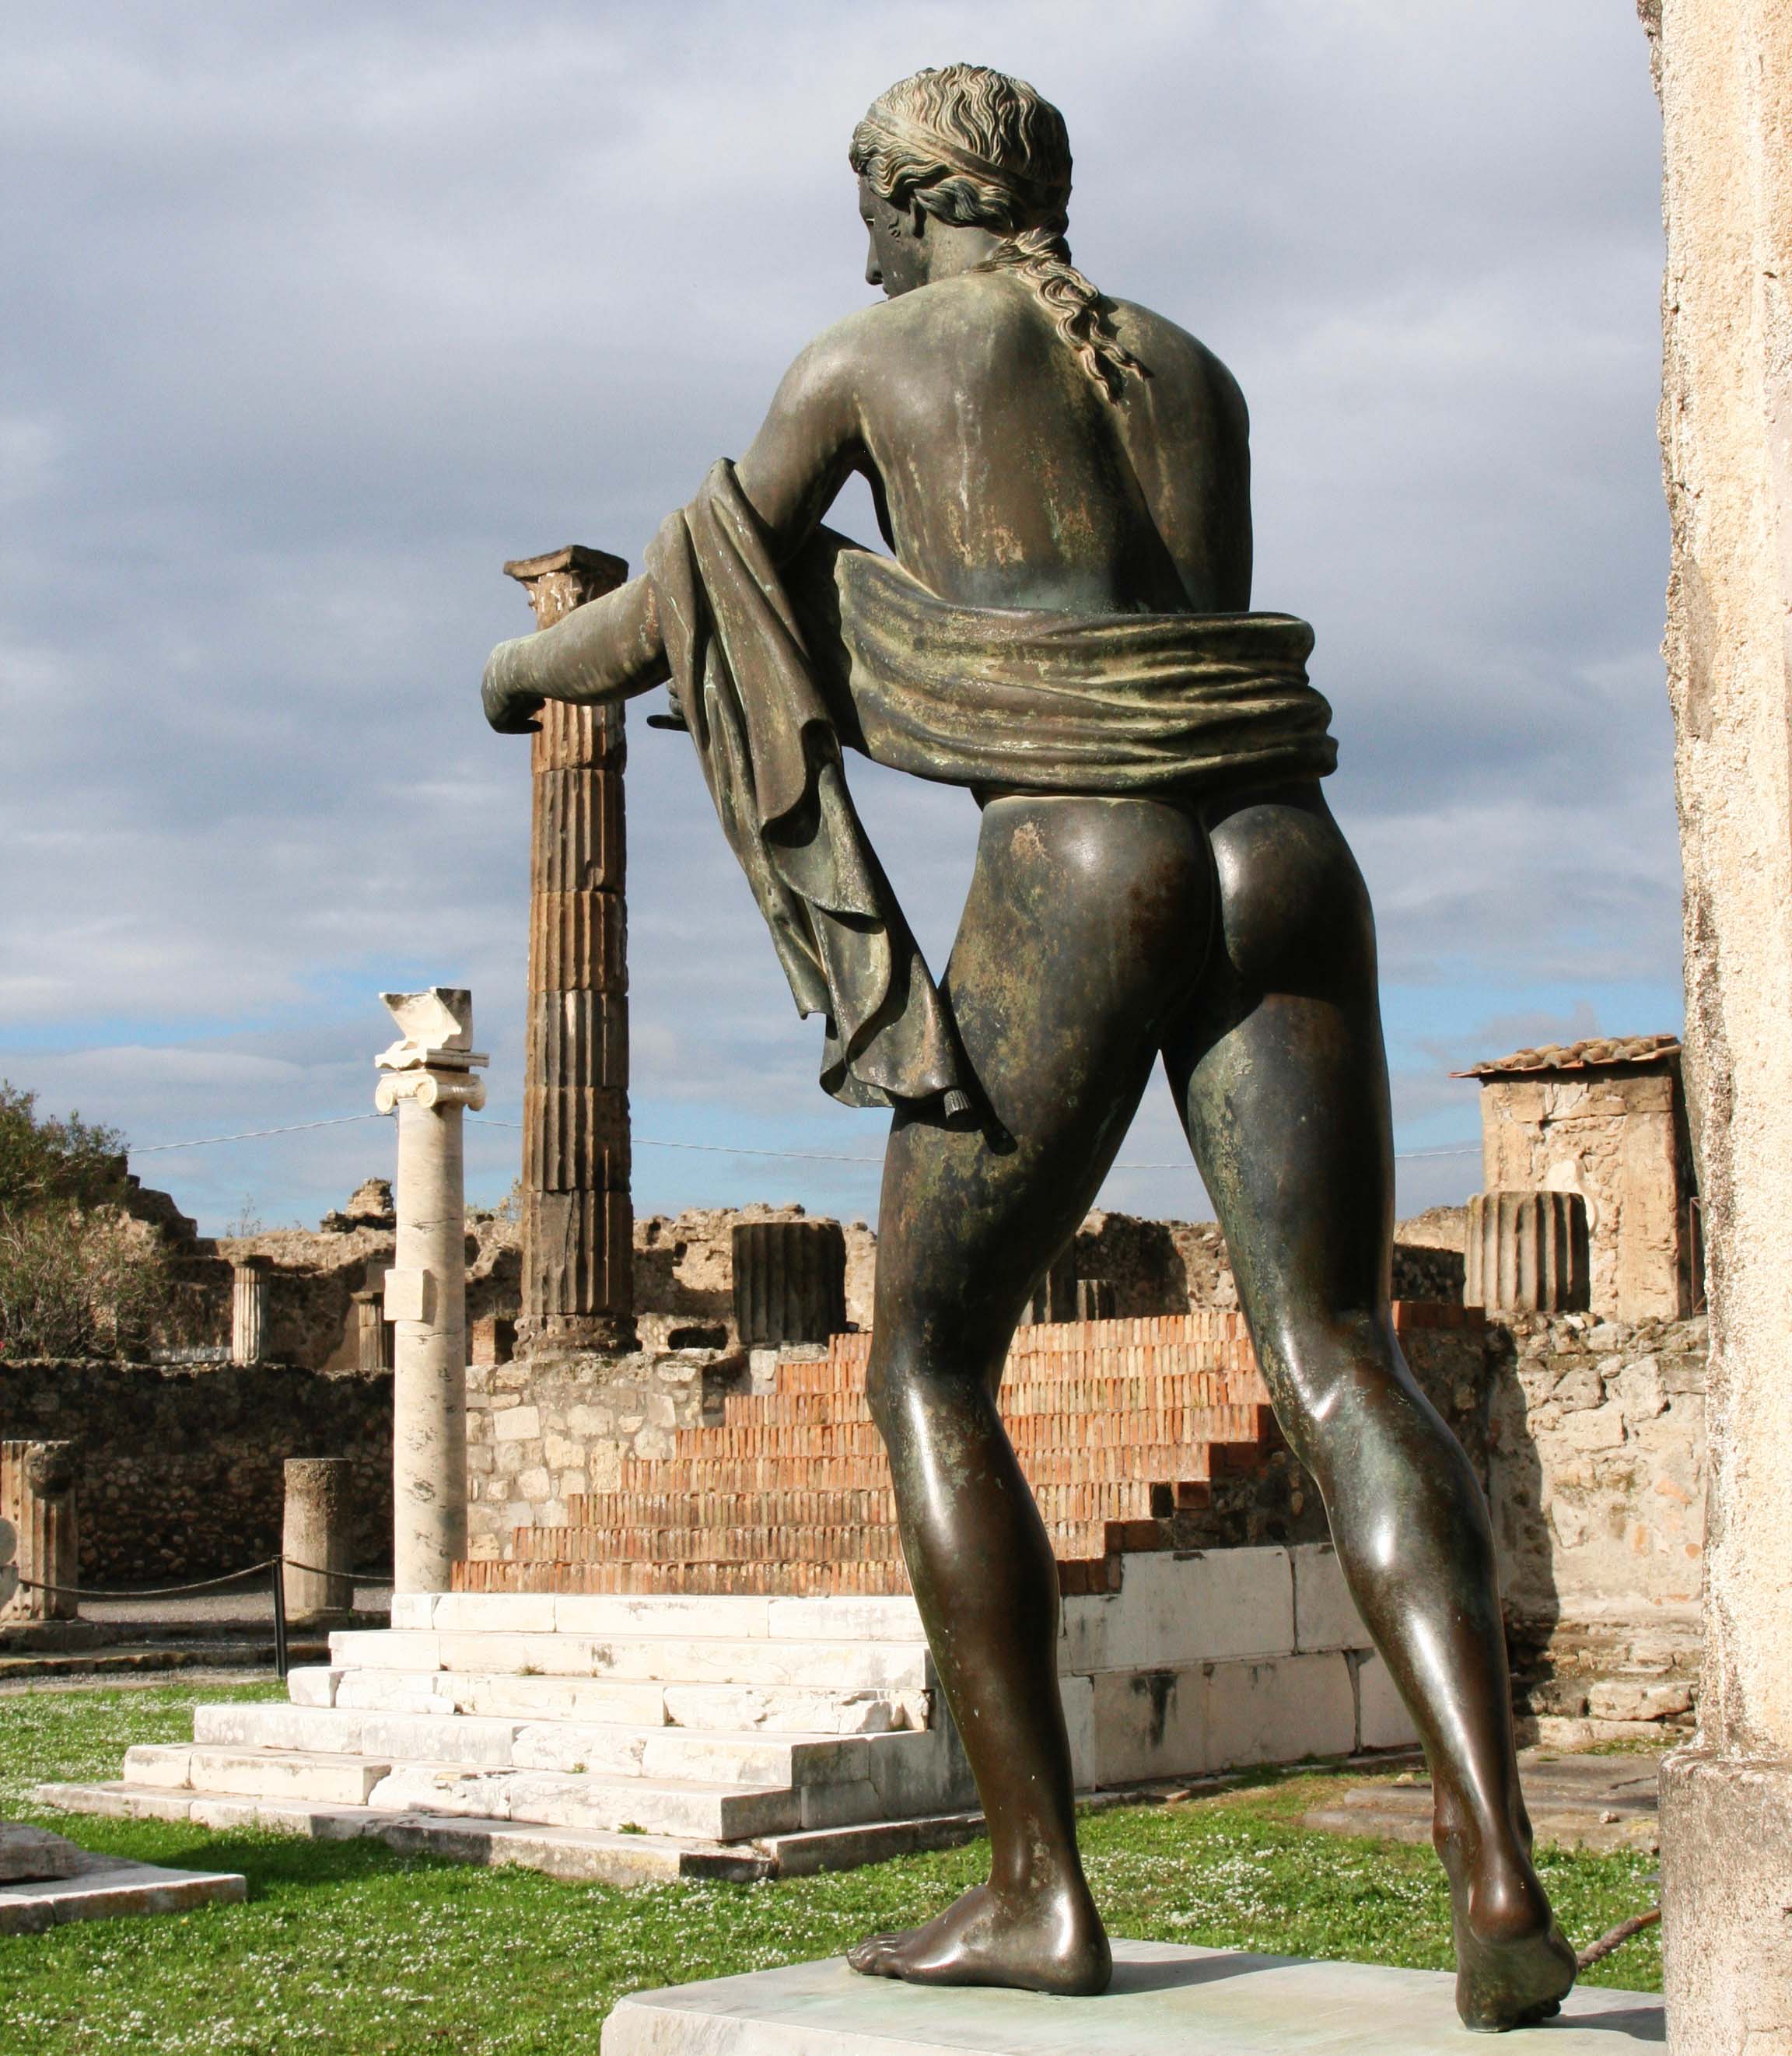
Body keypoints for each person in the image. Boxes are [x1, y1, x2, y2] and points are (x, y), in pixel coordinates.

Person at [481, 62, 1577, 2032]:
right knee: (1336, 1349)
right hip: (1290, 852)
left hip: (1083, 862)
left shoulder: (876, 355)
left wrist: (513, 672)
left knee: (926, 1355)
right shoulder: (1192, 364)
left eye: (871, 203)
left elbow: (677, 610)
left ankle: (1035, 1890)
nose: (866, 239)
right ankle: (1495, 1853)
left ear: (916, 198)